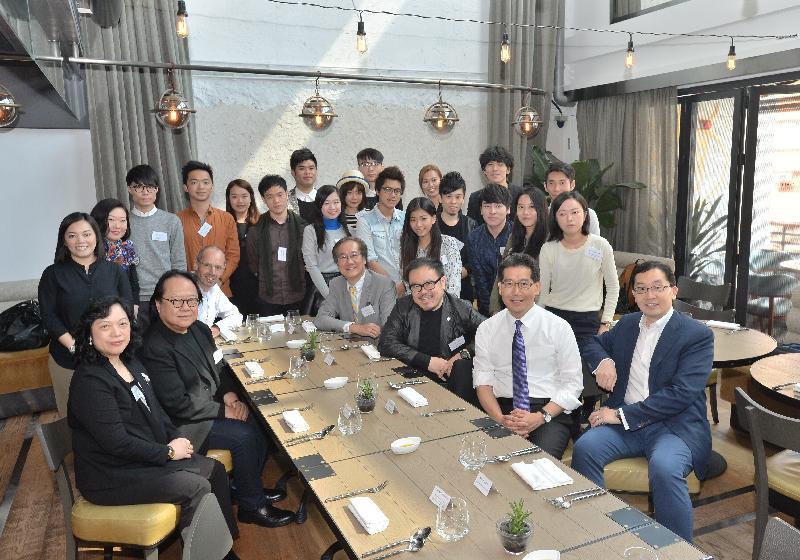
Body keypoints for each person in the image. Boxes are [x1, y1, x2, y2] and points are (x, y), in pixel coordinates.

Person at [67, 297, 238, 557]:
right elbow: (117, 443)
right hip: (110, 474)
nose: (116, 333)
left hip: (141, 459)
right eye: (105, 326)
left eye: (122, 323)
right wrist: (168, 453)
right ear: (89, 334)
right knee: (196, 486)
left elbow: (156, 412)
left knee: (214, 470)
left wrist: (176, 437)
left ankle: (222, 549)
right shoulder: (90, 381)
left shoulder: (130, 362)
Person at [571, 261, 714, 542]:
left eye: (658, 288)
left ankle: (675, 549)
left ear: (673, 291)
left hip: (673, 426)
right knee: (586, 448)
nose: (650, 295)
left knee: (664, 467)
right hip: (625, 424)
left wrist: (621, 415)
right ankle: (601, 532)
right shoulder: (626, 325)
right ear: (633, 295)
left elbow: (681, 393)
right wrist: (604, 361)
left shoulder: (696, 335)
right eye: (642, 289)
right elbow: (591, 343)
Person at [139, 270, 294, 528]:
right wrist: (225, 411)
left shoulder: (199, 329)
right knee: (243, 435)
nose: (185, 307)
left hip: (210, 406)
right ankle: (251, 506)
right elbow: (178, 404)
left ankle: (246, 487)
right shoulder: (155, 346)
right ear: (158, 304)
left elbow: (219, 368)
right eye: (176, 301)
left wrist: (231, 397)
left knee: (261, 419)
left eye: (191, 300)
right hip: (183, 423)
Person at [472, 253, 583, 459]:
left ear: (537, 287)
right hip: (502, 409)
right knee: (479, 457)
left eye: (524, 283)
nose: (516, 292)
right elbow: (483, 383)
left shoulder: (558, 327)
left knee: (534, 463)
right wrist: (500, 420)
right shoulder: (487, 329)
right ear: (500, 287)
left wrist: (540, 416)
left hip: (549, 411)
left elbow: (573, 385)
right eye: (509, 283)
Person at [39, 212, 133, 417]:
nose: (81, 241)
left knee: (112, 417)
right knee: (73, 418)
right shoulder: (52, 274)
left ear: (96, 237)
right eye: (72, 236)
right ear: (64, 241)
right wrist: (74, 345)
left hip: (111, 358)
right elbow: (48, 316)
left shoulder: (114, 271)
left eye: (86, 234)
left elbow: (127, 311)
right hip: (67, 360)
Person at [538, 191, 619, 419]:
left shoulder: (600, 245)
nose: (569, 218)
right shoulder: (549, 249)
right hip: (555, 317)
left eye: (575, 212)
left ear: (585, 215)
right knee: (556, 367)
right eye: (562, 213)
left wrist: (606, 322)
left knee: (590, 363)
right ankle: (561, 413)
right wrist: (539, 322)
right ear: (555, 218)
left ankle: (586, 410)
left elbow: (613, 287)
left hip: (589, 319)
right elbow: (542, 291)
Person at [379, 257, 484, 405]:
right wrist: (427, 361)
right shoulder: (403, 307)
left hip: (451, 385)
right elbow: (386, 343)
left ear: (442, 282)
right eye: (416, 286)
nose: (423, 292)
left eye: (429, 284)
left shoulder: (460, 308)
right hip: (409, 381)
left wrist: (464, 353)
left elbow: (490, 333)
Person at [126, 164, 187, 330]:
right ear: (130, 189)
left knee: (167, 346)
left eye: (150, 187)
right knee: (138, 348)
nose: (145, 192)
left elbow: (179, 262)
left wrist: (178, 294)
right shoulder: (123, 223)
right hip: (135, 298)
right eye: (139, 187)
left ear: (157, 189)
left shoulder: (171, 221)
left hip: (165, 296)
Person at [176, 160, 240, 297]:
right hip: (189, 295)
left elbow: (233, 255)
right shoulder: (175, 220)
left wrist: (219, 279)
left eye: (205, 182)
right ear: (185, 187)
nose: (201, 187)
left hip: (221, 293)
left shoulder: (227, 218)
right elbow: (173, 258)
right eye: (194, 182)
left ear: (212, 186)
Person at [247, 175, 306, 316]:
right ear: (263, 199)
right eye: (270, 197)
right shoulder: (255, 231)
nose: (276, 201)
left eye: (280, 195)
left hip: (298, 295)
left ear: (287, 194)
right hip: (268, 298)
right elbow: (253, 265)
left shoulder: (303, 227)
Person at [313, 237, 396, 338]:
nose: (349, 261)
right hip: (347, 347)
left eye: (354, 255)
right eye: (343, 257)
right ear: (337, 263)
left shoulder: (384, 284)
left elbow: (390, 327)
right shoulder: (336, 284)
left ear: (364, 259)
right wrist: (353, 327)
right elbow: (320, 319)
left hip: (376, 348)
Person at [489, 187, 549, 315]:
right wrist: (495, 309)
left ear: (541, 209)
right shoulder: (514, 237)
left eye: (531, 207)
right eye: (521, 207)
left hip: (537, 312)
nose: (525, 212)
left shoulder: (549, 241)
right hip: (509, 309)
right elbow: (501, 274)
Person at [355, 166, 406, 297]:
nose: (393, 195)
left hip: (408, 287)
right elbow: (370, 260)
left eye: (397, 191)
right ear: (377, 190)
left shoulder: (406, 218)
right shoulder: (364, 221)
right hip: (380, 289)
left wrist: (406, 283)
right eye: (387, 189)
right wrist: (394, 285)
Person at [400, 197, 462, 297]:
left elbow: (454, 286)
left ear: (433, 218)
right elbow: (409, 287)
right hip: (417, 306)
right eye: (413, 220)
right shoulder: (406, 247)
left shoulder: (449, 243)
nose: (418, 224)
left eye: (423, 218)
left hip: (446, 306)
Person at [302, 185, 350, 312]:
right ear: (319, 206)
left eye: (336, 202)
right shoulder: (310, 231)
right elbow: (311, 266)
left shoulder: (349, 230)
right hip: (321, 289)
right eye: (327, 203)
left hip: (347, 287)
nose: (332, 207)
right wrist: (330, 297)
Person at [467, 183, 512, 317]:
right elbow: (480, 280)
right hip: (486, 310)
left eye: (498, 206)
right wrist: (492, 311)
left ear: (508, 209)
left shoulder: (517, 235)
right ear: (481, 209)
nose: (492, 211)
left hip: (516, 305)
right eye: (487, 206)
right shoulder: (474, 238)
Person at [90, 198, 140, 304]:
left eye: (122, 220)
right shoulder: (89, 249)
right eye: (111, 220)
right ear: (99, 220)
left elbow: (133, 283)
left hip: (124, 309)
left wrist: (134, 306)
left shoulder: (127, 248)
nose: (117, 226)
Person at [437, 171, 477, 303]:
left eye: (458, 197)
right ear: (440, 198)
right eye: (448, 196)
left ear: (463, 198)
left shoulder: (471, 225)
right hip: (437, 289)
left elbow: (476, 256)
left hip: (464, 288)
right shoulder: (432, 225)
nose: (453, 202)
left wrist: (466, 270)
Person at [225, 179, 260, 316]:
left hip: (257, 287)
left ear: (251, 198)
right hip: (231, 285)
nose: (239, 201)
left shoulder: (261, 223)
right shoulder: (223, 222)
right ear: (228, 199)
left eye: (244, 196)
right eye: (234, 196)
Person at [194, 246, 243, 336]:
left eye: (218, 267)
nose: (212, 272)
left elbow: (236, 315)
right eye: (207, 265)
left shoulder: (214, 289)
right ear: (196, 264)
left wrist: (217, 328)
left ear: (223, 270)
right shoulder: (184, 288)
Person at [467, 146, 522, 225]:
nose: (495, 168)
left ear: (508, 169)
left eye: (500, 164)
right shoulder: (475, 198)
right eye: (490, 164)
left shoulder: (520, 195)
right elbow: (472, 227)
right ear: (484, 170)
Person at [543, 162, 600, 235]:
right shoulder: (541, 216)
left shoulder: (589, 215)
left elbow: (596, 245)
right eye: (551, 183)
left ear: (572, 185)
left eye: (562, 183)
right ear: (545, 186)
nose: (556, 188)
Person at [287, 147, 318, 221]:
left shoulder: (325, 198)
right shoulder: (285, 201)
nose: (307, 172)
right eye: (302, 168)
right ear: (293, 173)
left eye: (311, 168)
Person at [337, 170, 369, 235]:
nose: (354, 197)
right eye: (349, 193)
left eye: (359, 193)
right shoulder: (337, 217)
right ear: (343, 194)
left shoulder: (370, 214)